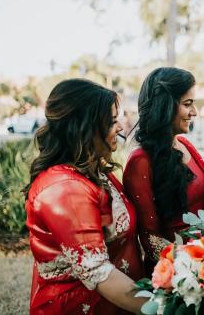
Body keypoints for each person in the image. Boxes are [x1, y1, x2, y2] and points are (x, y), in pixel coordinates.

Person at [25, 79, 146, 315]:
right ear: (85, 128)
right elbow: (98, 272)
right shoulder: (64, 189)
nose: (120, 127)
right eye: (112, 122)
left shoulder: (93, 172)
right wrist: (163, 307)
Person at [123, 67, 204, 275]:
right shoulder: (140, 162)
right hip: (175, 273)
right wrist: (191, 264)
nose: (194, 113)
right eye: (187, 104)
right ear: (164, 106)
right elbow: (150, 238)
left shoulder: (184, 144)